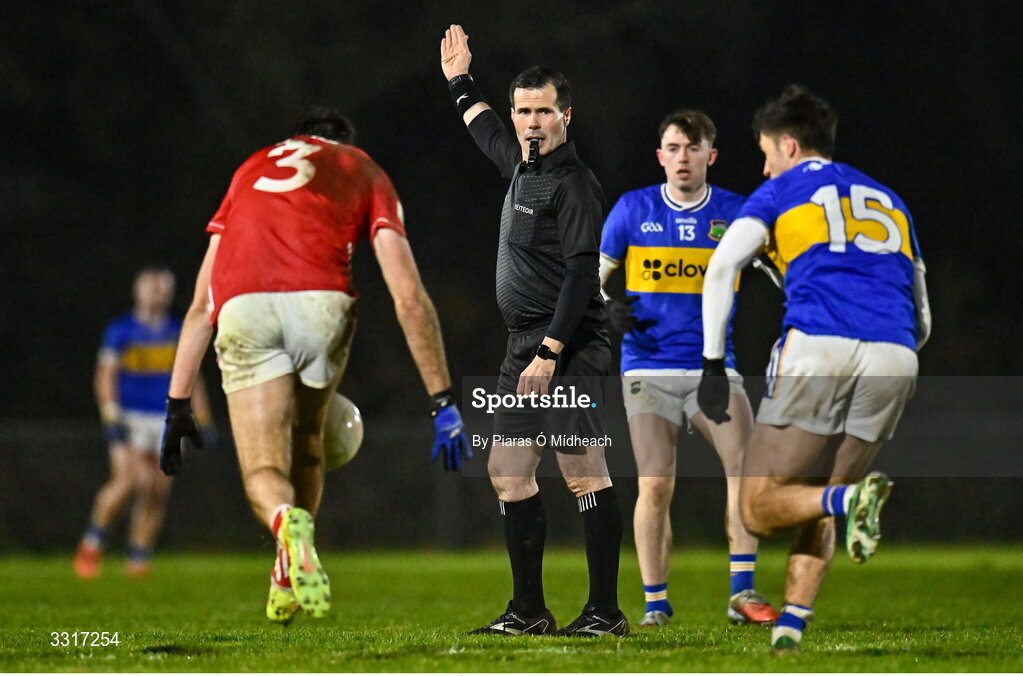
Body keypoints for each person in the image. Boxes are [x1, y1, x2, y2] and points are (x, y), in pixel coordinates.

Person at [159, 108, 470, 624]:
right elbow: (409, 297)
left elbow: (199, 305)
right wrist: (442, 400)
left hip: (244, 306)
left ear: (294, 139)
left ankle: (287, 527)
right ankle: (286, 569)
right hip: (322, 302)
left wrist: (177, 401)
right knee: (306, 439)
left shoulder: (250, 169)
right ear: (341, 144)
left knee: (262, 466)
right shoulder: (361, 167)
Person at [698, 85, 931, 653]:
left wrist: (710, 363)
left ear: (790, 146)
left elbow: (724, 264)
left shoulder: (782, 190)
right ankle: (790, 629)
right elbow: (923, 316)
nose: (764, 165)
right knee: (825, 489)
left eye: (766, 153)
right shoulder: (888, 198)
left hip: (821, 346)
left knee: (758, 508)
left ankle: (849, 505)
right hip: (897, 354)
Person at [441, 24, 628, 638]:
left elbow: (581, 277)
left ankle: (605, 612)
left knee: (582, 470)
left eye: (543, 110)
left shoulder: (574, 184)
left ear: (565, 115)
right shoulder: (521, 167)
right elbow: (484, 129)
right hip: (523, 348)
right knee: (508, 471)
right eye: (523, 110)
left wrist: (551, 350)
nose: (529, 122)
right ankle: (529, 611)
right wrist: (460, 80)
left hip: (567, 345)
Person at [599, 110, 778, 628]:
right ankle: (656, 604)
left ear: (710, 156)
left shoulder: (735, 213)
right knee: (655, 484)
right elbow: (591, 279)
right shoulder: (633, 210)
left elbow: (779, 267)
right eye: (673, 148)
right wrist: (607, 305)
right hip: (648, 367)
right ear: (660, 156)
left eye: (692, 148)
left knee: (744, 471)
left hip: (713, 370)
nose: (683, 157)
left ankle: (741, 594)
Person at [73, 267, 213, 579]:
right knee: (129, 481)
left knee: (157, 489)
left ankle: (139, 557)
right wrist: (110, 411)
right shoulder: (121, 330)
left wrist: (201, 415)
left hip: (166, 418)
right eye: (150, 287)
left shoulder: (178, 330)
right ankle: (92, 541)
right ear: (138, 291)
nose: (156, 293)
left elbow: (194, 376)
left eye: (162, 288)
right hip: (131, 416)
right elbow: (104, 374)